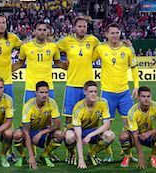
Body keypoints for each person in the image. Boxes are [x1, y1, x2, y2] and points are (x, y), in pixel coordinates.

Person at [92, 22, 139, 161]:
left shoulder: (127, 50)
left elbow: (134, 68)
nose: (114, 35)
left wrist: (136, 86)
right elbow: (89, 59)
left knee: (130, 125)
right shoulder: (100, 48)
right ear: (106, 34)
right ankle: (108, 154)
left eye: (117, 32)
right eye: (111, 33)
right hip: (107, 93)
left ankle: (127, 153)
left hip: (124, 93)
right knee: (106, 127)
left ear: (120, 34)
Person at [57, 16, 100, 163]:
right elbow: (52, 50)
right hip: (72, 85)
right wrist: (62, 63)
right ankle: (72, 152)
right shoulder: (66, 41)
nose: (82, 28)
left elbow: (105, 48)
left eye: (85, 26)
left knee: (92, 119)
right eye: (80, 26)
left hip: (88, 87)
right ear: (74, 28)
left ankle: (93, 152)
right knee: (69, 120)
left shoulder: (93, 40)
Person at [13, 81, 65, 169]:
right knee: (17, 135)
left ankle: (44, 155)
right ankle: (22, 156)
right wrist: (32, 156)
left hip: (43, 131)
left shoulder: (51, 103)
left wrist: (41, 133)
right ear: (36, 93)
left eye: (46, 92)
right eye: (41, 92)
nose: (44, 95)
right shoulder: (28, 106)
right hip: (29, 132)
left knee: (60, 134)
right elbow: (26, 131)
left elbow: (57, 124)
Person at [13, 21, 68, 103]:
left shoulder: (53, 46)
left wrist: (68, 65)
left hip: (48, 87)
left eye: (44, 30)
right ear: (34, 31)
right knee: (29, 115)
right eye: (39, 29)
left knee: (50, 114)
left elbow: (57, 62)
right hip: (31, 88)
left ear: (48, 31)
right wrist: (7, 68)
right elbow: (20, 62)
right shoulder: (26, 46)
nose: (42, 32)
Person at [119, 86, 156, 169]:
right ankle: (127, 156)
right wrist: (140, 155)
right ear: (138, 97)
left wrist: (149, 133)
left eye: (148, 96)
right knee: (123, 136)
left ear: (151, 96)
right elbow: (135, 135)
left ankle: (153, 156)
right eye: (143, 96)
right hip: (133, 137)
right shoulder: (132, 112)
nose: (146, 99)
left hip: (148, 136)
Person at [72, 81, 115, 168]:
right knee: (69, 137)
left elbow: (107, 125)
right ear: (85, 92)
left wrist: (90, 135)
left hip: (92, 130)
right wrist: (81, 160)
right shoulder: (78, 108)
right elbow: (78, 135)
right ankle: (72, 154)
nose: (93, 94)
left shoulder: (103, 102)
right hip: (79, 131)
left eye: (95, 91)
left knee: (110, 135)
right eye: (90, 92)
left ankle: (92, 153)